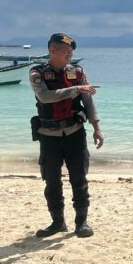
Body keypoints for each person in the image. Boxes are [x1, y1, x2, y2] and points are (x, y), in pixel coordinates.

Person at [29, 33, 103, 238]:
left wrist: (97, 127)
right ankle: (57, 222)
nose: (70, 55)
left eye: (71, 52)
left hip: (75, 133)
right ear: (53, 51)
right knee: (52, 181)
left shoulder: (77, 72)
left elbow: (87, 101)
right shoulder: (37, 73)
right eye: (66, 52)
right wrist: (76, 89)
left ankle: (82, 223)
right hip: (49, 135)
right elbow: (45, 96)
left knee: (79, 179)